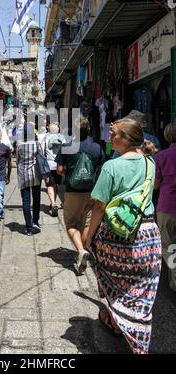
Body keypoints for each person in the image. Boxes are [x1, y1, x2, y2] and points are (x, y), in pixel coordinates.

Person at [85, 118, 162, 354]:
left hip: (116, 237)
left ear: (127, 140)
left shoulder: (112, 166)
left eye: (115, 134)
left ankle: (120, 322)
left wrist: (89, 236)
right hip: (148, 235)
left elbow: (99, 206)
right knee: (141, 287)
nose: (110, 137)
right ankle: (129, 327)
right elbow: (154, 187)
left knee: (115, 282)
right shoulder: (150, 162)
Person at [56, 117, 105, 273]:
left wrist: (70, 173)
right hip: (92, 191)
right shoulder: (97, 147)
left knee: (70, 224)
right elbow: (102, 167)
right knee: (86, 224)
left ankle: (80, 251)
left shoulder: (67, 146)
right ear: (89, 129)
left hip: (72, 191)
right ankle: (84, 250)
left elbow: (59, 170)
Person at [154, 122, 176, 292]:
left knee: (168, 244)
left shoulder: (161, 156)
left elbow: (155, 185)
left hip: (167, 205)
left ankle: (174, 278)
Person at [17, 123, 42, 236]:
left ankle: (29, 228)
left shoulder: (19, 144)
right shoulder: (36, 144)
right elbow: (42, 157)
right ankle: (35, 221)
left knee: (26, 201)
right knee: (36, 199)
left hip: (23, 175)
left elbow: (17, 160)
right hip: (35, 174)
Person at [40, 122, 65, 216]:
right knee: (56, 185)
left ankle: (53, 204)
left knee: (50, 185)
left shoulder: (45, 138)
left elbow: (41, 152)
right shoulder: (62, 138)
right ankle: (53, 203)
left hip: (49, 165)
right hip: (59, 165)